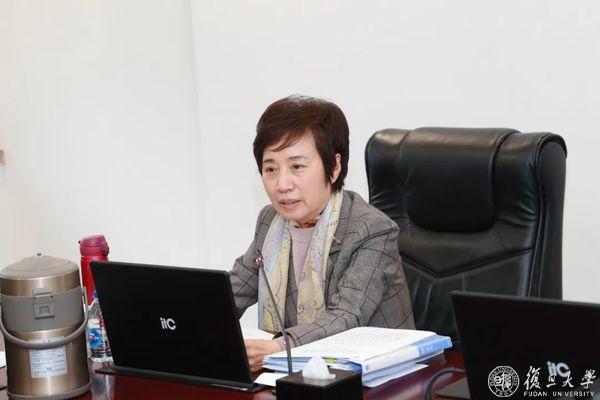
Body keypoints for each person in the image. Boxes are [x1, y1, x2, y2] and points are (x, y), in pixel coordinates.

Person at [230, 95, 415, 371]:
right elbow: (235, 289)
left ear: (334, 167)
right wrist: (181, 319)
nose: (282, 184)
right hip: (303, 374)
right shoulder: (271, 222)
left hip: (381, 379)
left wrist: (279, 347)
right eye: (271, 169)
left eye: (297, 166)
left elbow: (346, 317)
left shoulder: (371, 229)